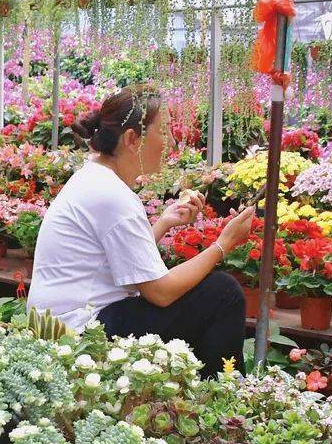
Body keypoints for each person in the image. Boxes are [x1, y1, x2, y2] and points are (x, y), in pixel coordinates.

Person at [27, 85, 255, 374]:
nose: (171, 142)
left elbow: (117, 264)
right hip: (80, 335)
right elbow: (160, 292)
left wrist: (163, 223)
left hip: (64, 324)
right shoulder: (112, 195)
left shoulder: (96, 178)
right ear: (132, 139)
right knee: (224, 293)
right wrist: (224, 244)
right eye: (163, 131)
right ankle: (222, 399)